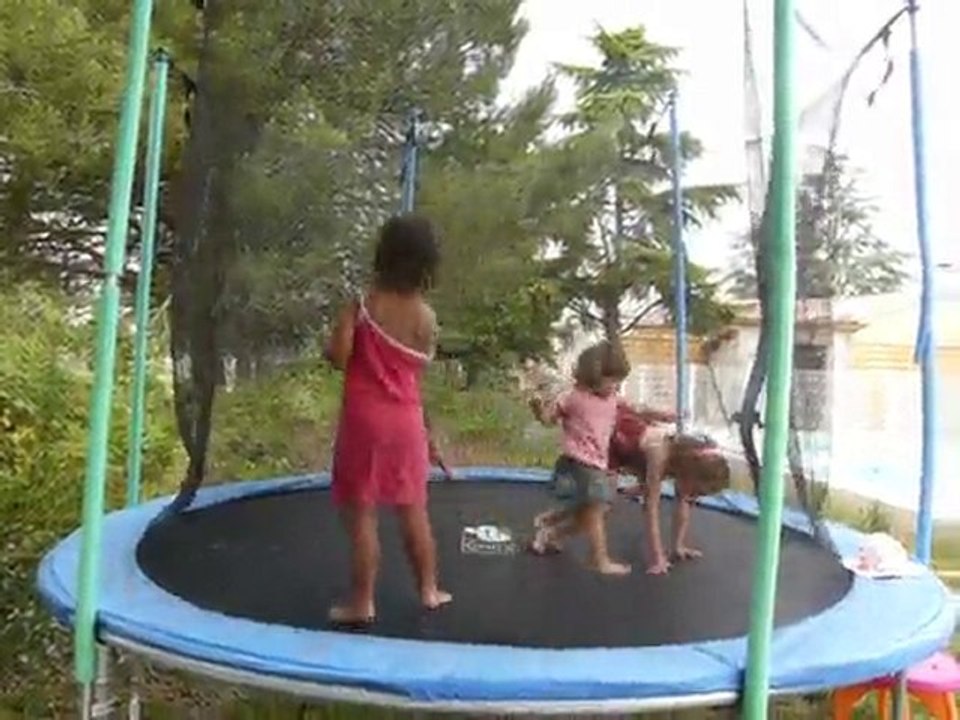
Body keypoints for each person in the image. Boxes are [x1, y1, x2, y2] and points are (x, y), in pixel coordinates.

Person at [324, 214, 451, 626]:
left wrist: (347, 321)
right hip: (407, 423)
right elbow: (414, 376)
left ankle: (362, 602)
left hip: (364, 422)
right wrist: (430, 435)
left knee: (362, 514)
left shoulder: (365, 305)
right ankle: (429, 589)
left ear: (384, 255)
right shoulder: (426, 318)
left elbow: (338, 357)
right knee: (413, 509)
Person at [528, 341, 632, 575]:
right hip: (580, 463)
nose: (616, 386)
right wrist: (537, 409)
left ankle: (550, 531)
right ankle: (599, 560)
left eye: (619, 381)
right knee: (595, 511)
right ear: (594, 377)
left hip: (596, 464)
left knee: (590, 512)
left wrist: (660, 415)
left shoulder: (612, 398)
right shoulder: (574, 398)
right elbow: (548, 420)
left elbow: (635, 408)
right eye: (612, 380)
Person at [611, 407, 731, 574]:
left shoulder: (696, 457)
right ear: (690, 474)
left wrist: (678, 547)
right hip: (616, 439)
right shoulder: (659, 455)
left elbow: (684, 501)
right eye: (695, 491)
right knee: (601, 501)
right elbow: (651, 508)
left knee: (672, 491)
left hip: (642, 451)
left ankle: (641, 485)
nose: (695, 496)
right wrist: (657, 557)